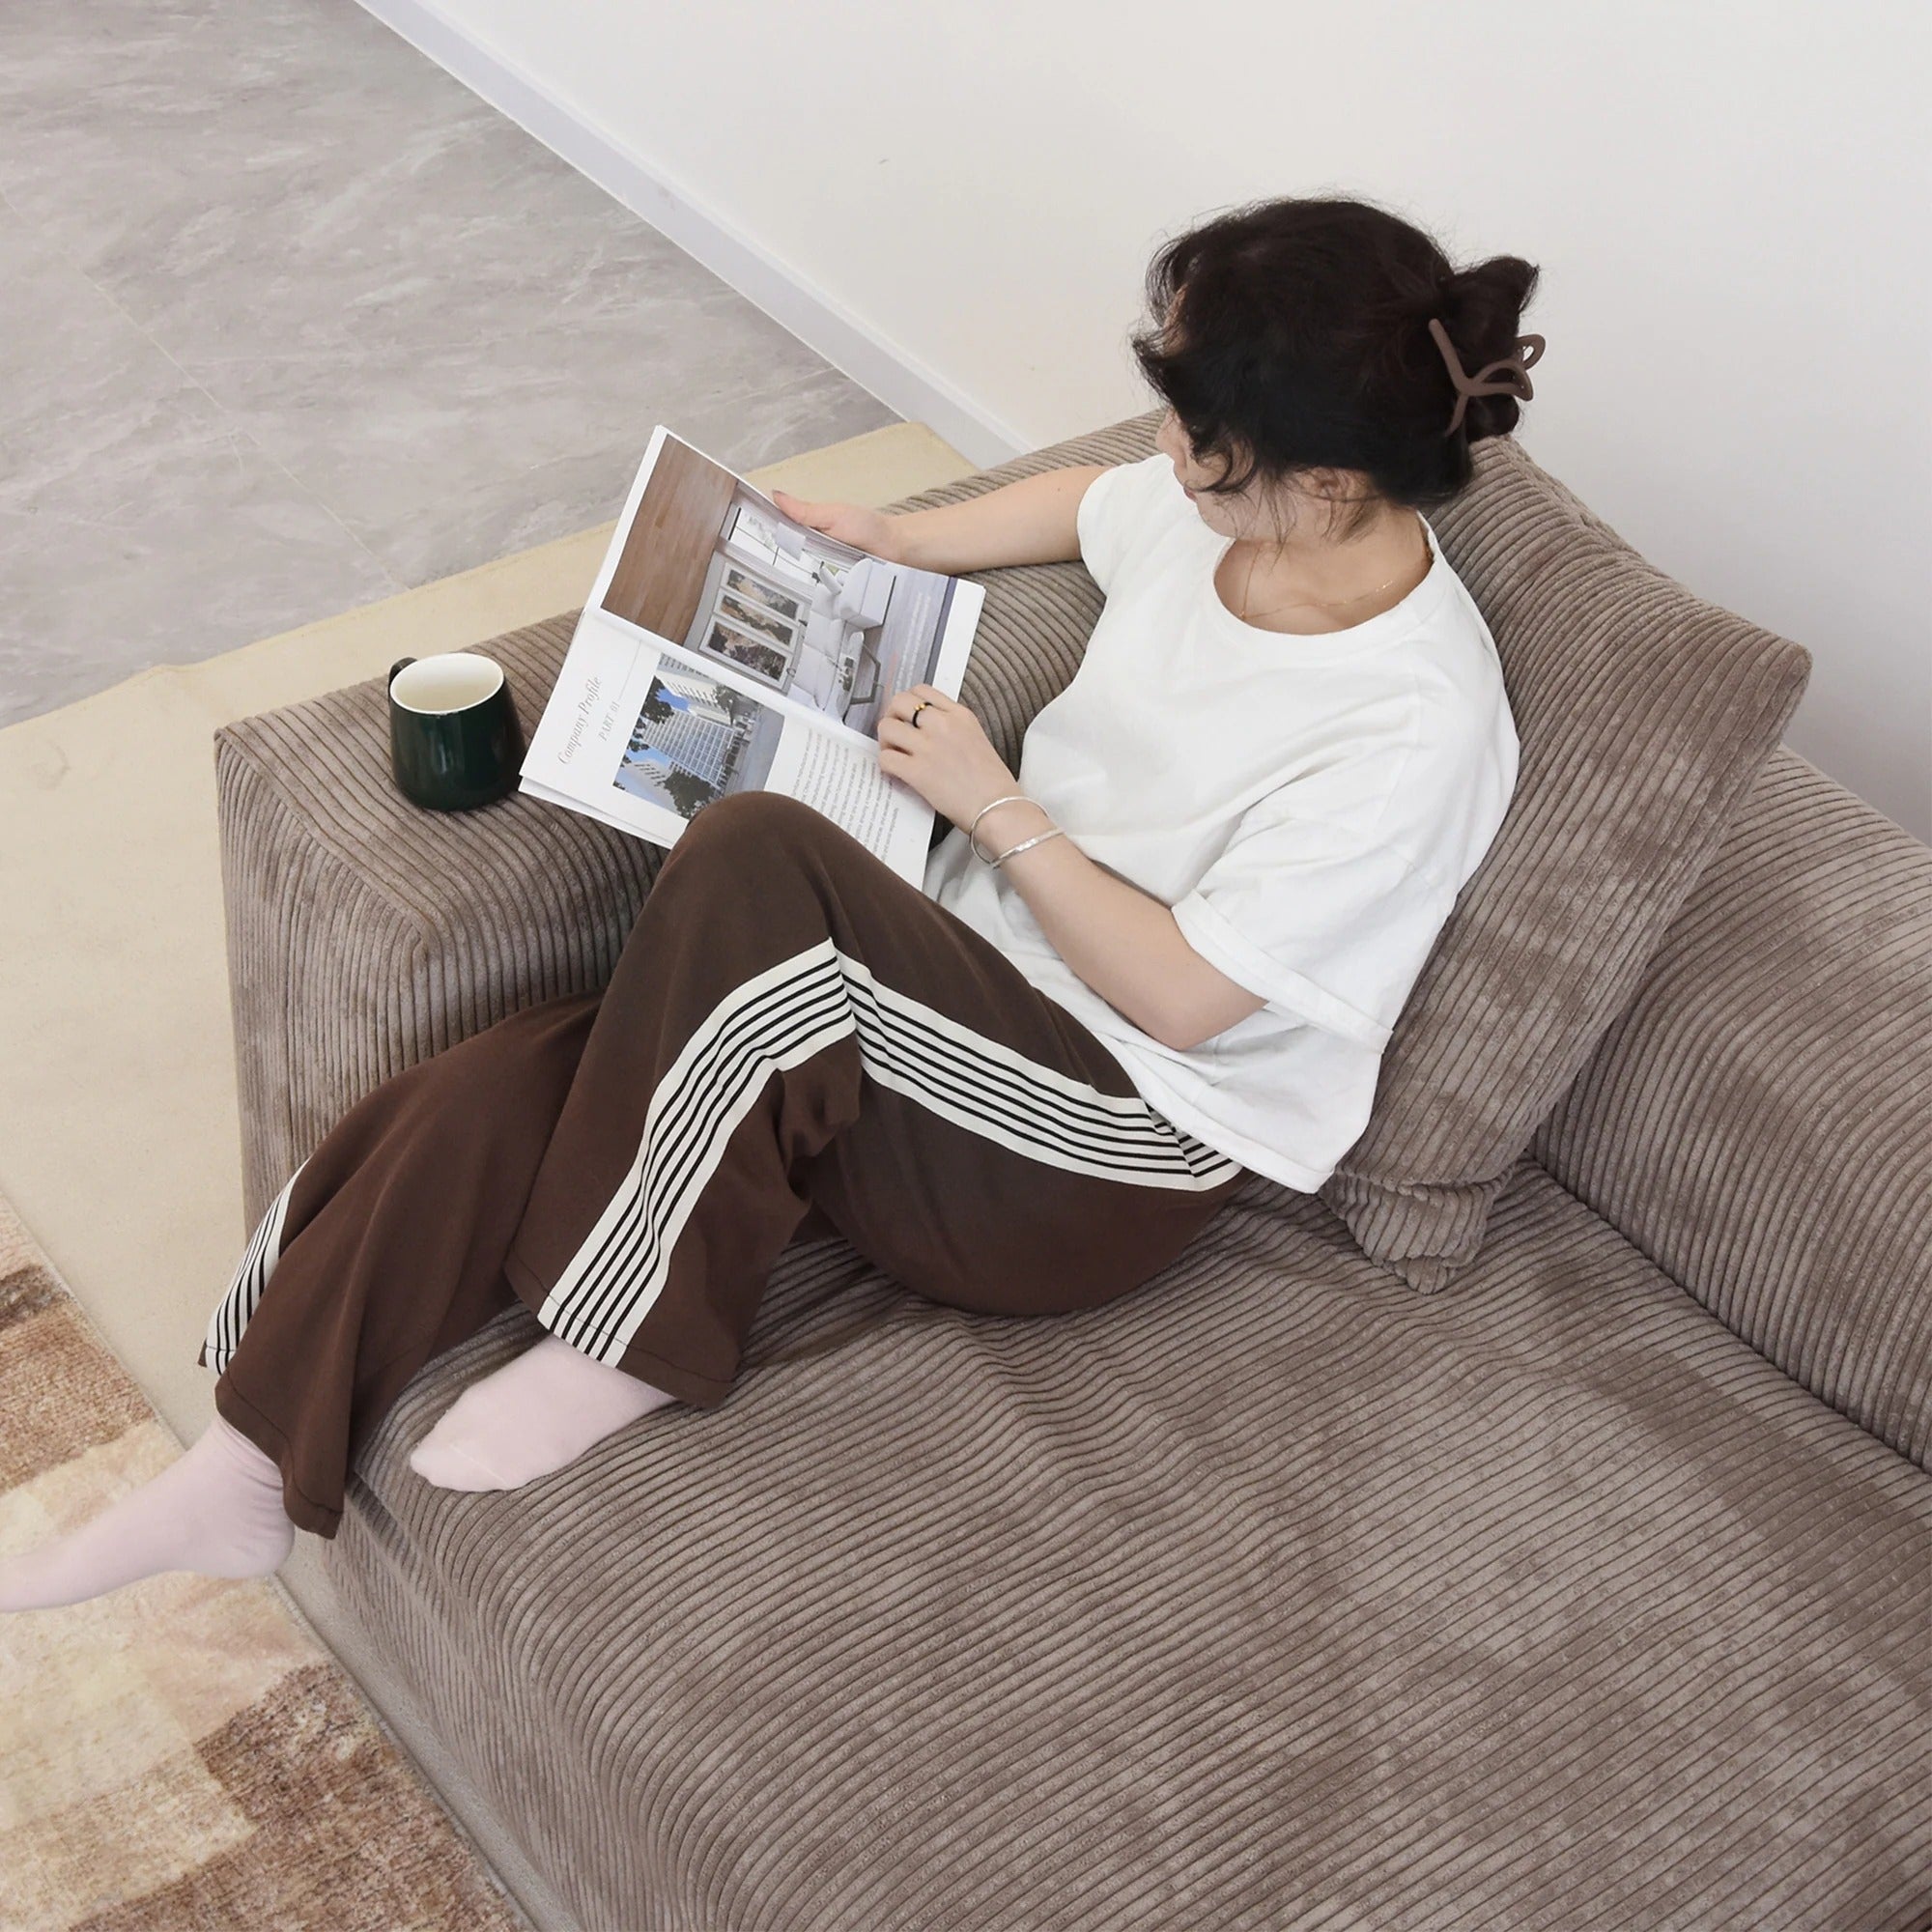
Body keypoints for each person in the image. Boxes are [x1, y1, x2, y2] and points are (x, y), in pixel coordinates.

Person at [0, 191, 1531, 1613]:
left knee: (756, 850)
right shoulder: (1232, 524)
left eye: (1197, 429)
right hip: (959, 1022)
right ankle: (246, 1466)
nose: (1165, 444)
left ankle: (627, 1333)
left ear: (1322, 483)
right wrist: (891, 539)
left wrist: (992, 806)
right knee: (522, 1065)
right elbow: (1094, 502)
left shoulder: (1412, 721)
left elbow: (1193, 999)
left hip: (1108, 1149)